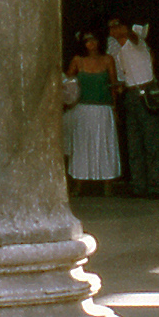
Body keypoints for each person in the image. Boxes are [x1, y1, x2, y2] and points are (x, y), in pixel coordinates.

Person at [107, 17, 159, 197]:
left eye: (117, 27)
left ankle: (155, 186)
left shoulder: (137, 43)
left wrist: (127, 29)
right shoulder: (119, 52)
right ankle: (138, 186)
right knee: (134, 143)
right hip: (131, 94)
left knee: (151, 142)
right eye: (111, 28)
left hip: (145, 92)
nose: (113, 31)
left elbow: (134, 36)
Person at [66, 32, 121, 195]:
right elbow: (67, 83)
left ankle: (107, 185)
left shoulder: (107, 59)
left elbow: (113, 85)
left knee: (104, 144)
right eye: (88, 41)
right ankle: (79, 184)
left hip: (103, 108)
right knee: (82, 146)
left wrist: (115, 108)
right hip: (82, 109)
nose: (91, 44)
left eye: (94, 40)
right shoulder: (78, 60)